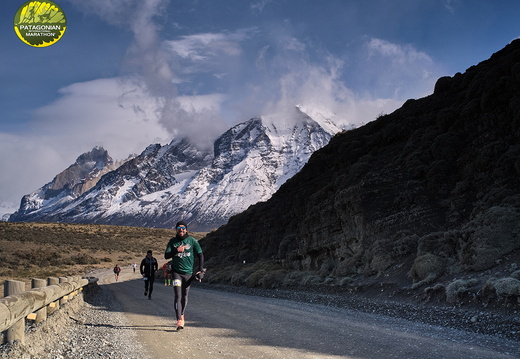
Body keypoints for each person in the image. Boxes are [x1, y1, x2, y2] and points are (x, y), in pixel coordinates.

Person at [164, 221, 204, 330]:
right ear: (176, 230)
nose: (181, 230)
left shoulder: (192, 241)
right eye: (178, 228)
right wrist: (176, 250)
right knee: (178, 295)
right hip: (176, 273)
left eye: (183, 228)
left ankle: (181, 314)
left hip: (188, 274)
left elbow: (200, 255)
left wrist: (200, 270)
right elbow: (166, 256)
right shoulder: (173, 242)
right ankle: (178, 321)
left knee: (184, 296)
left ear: (186, 229)